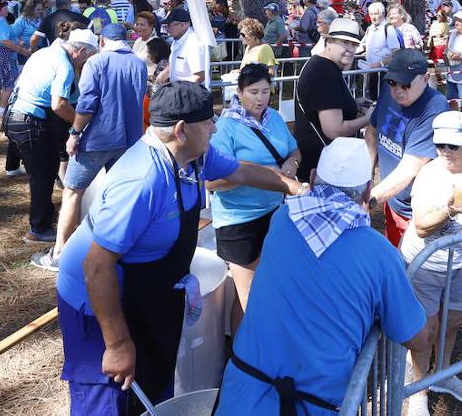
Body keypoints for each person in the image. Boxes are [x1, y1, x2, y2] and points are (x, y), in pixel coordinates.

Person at [55, 81, 305, 415]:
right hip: (98, 301)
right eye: (208, 123)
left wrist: (290, 187)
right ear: (181, 129)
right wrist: (116, 344)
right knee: (110, 396)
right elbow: (96, 267)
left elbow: (241, 170)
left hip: (147, 291)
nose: (215, 128)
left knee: (153, 384)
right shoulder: (142, 179)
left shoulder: (195, 156)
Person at [215, 137, 429, 416]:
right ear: (366, 192)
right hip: (311, 407)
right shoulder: (380, 255)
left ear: (313, 178)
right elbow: (417, 338)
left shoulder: (282, 220)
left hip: (241, 394)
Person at [402, 111, 462, 415]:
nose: (445, 151)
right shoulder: (429, 175)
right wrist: (449, 211)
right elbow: (420, 226)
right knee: (426, 330)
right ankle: (418, 391)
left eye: (453, 145)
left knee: (455, 320)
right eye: (440, 144)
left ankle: (442, 375)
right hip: (426, 263)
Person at [33, 24, 149, 271]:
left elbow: (87, 105)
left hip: (97, 139)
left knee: (73, 192)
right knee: (120, 195)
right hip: (129, 140)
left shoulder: (96, 63)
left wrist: (74, 133)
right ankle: (116, 247)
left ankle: (60, 252)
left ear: (103, 41)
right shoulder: (139, 64)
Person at [208, 64, 302, 323]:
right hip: (239, 220)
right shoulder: (226, 127)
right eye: (253, 92)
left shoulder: (275, 118)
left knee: (263, 286)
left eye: (265, 91)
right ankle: (248, 356)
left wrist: (292, 163)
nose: (260, 98)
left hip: (274, 212)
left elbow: (294, 150)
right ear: (238, 92)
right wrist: (255, 174)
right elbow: (211, 182)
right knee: (248, 294)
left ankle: (249, 349)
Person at [6, 29, 99, 244]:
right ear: (81, 50)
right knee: (43, 175)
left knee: (44, 171)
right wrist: (77, 123)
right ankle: (38, 229)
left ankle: (45, 217)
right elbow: (59, 104)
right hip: (29, 120)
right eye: (86, 58)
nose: (84, 63)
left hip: (16, 115)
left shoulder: (44, 53)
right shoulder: (64, 65)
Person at [365, 49, 450, 247]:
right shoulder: (389, 90)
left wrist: (367, 200)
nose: (398, 90)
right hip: (389, 196)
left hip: (416, 209)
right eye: (393, 82)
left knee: (412, 268)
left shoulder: (434, 106)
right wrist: (366, 177)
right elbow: (372, 130)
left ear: (425, 78)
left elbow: (410, 168)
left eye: (405, 84)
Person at [293, 18, 375, 183]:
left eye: (354, 44)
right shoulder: (324, 72)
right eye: (345, 43)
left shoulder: (324, 65)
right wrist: (368, 118)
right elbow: (334, 129)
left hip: (321, 163)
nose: (351, 49)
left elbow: (325, 103)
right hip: (322, 167)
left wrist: (352, 103)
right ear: (328, 41)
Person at [360, 1, 403, 100]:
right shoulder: (370, 28)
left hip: (384, 73)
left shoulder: (388, 29)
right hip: (371, 72)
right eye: (371, 14)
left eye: (376, 14)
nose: (373, 17)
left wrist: (380, 64)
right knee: (372, 99)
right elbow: (363, 46)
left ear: (383, 14)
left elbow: (396, 53)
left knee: (382, 100)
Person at [163, 7, 206, 84]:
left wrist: (181, 92)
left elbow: (199, 76)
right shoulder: (176, 40)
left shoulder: (194, 44)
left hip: (190, 93)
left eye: (169, 25)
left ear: (183, 25)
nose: (167, 29)